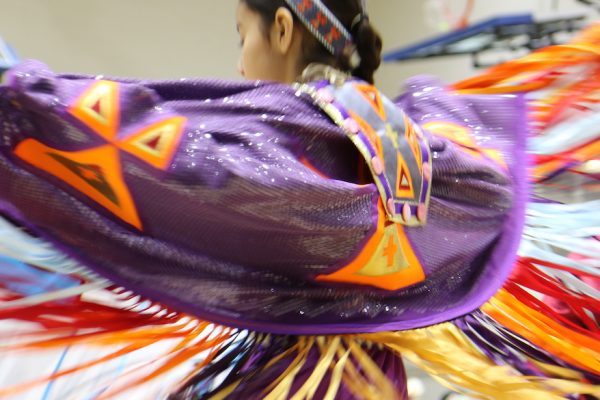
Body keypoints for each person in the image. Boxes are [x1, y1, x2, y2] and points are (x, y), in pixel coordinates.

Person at [0, 1, 598, 399]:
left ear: (283, 27)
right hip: (365, 383)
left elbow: (187, 167)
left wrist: (23, 97)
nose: (239, 62)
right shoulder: (417, 138)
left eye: (244, 36)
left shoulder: (286, 131)